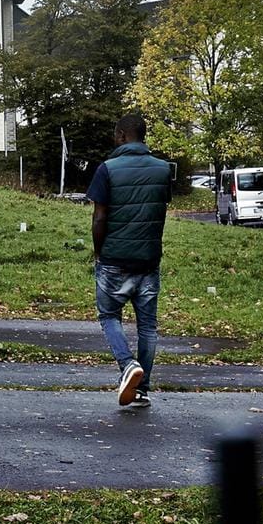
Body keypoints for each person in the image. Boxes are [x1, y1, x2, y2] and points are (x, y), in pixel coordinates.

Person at [84, 113, 173, 409]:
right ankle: (141, 390)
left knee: (109, 315)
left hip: (115, 259)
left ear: (122, 135)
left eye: (115, 134)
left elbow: (99, 217)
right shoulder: (162, 170)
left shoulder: (107, 169)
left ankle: (127, 365)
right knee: (148, 326)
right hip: (148, 259)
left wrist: (98, 253)